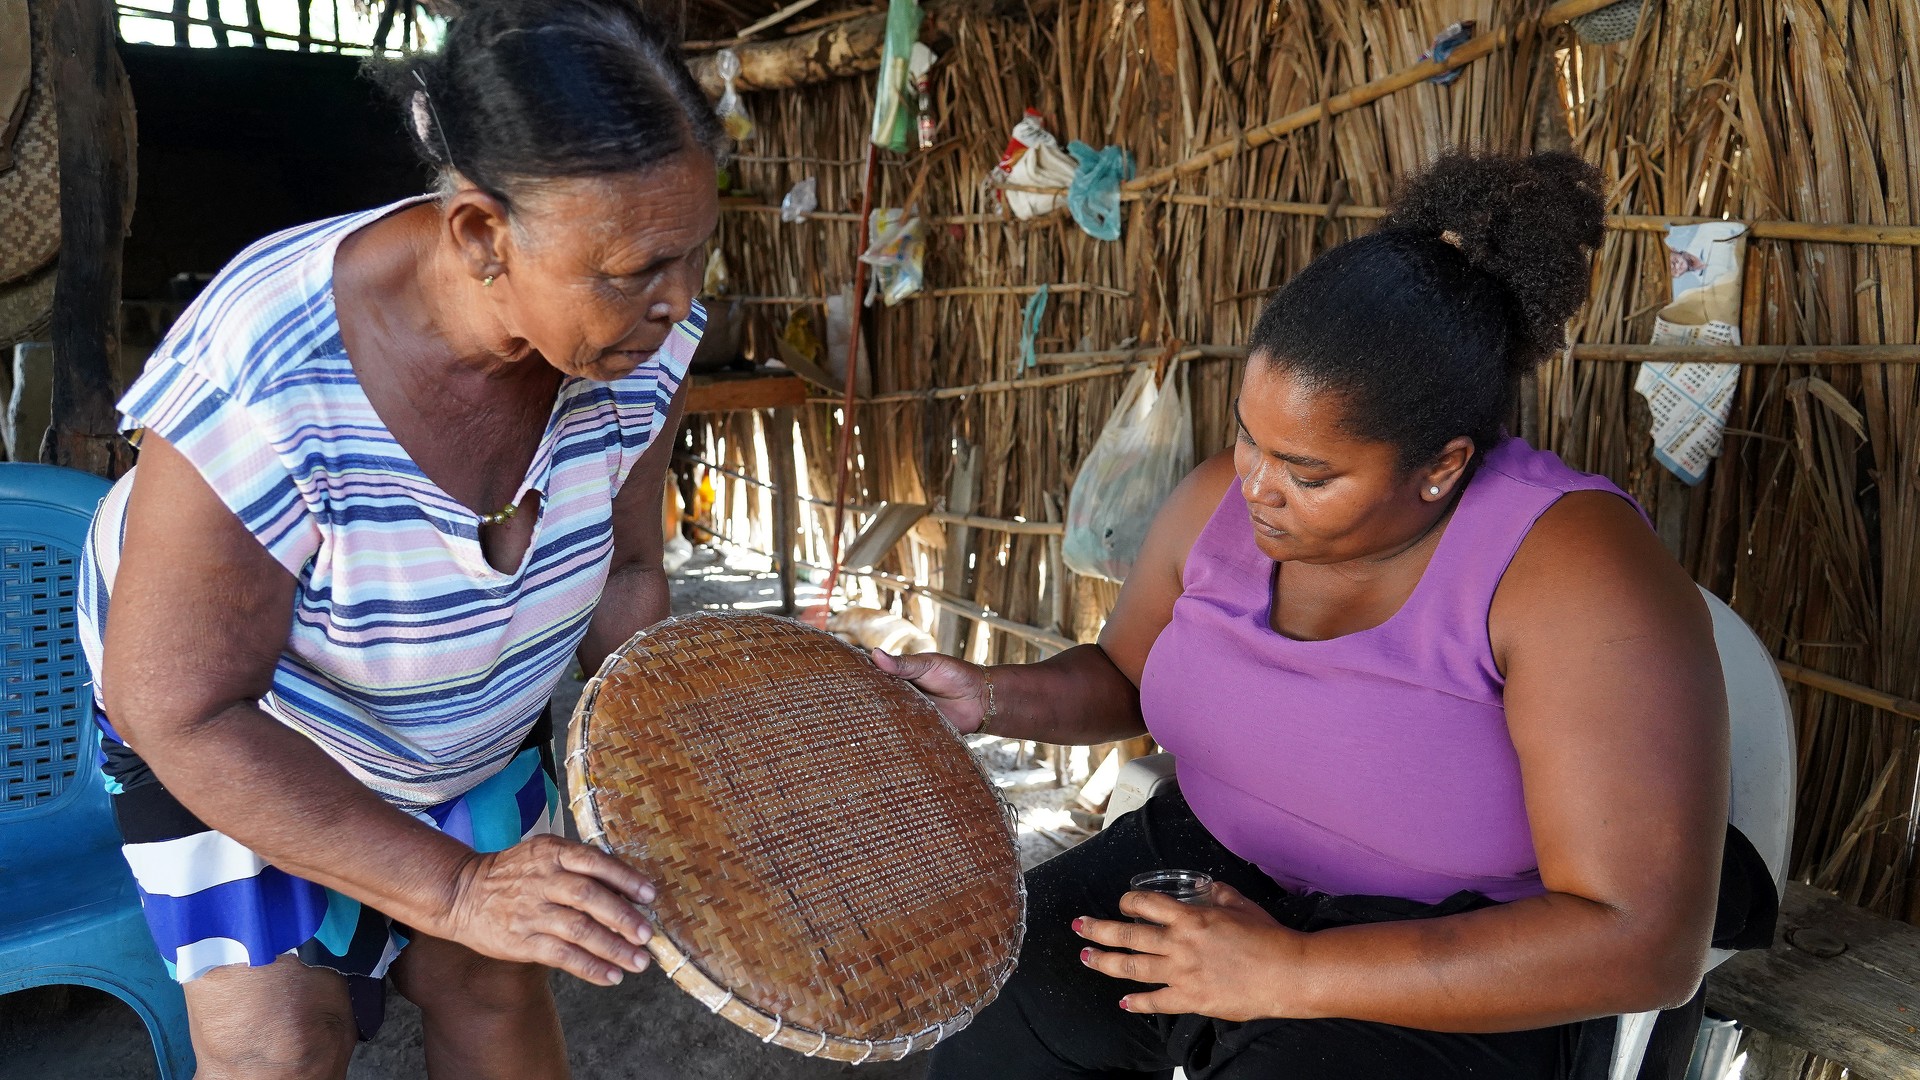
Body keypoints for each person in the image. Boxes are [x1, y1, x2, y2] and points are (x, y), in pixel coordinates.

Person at [876, 151, 1736, 1079]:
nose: (1255, 486)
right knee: (1004, 1001)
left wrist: (1289, 972)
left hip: (1470, 959)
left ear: (1439, 468)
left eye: (1309, 473)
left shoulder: (1575, 569)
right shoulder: (1222, 501)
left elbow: (1643, 942)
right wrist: (987, 696)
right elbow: (1124, 676)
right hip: (1209, 861)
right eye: (1250, 435)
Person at [75, 2, 721, 1076]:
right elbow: (178, 707)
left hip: (460, 706)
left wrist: (667, 776)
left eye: (694, 254)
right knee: (281, 1042)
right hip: (249, 729)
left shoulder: (638, 339)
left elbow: (633, 570)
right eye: (632, 272)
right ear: (480, 234)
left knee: (495, 977)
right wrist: (458, 887)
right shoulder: (266, 375)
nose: (680, 304)